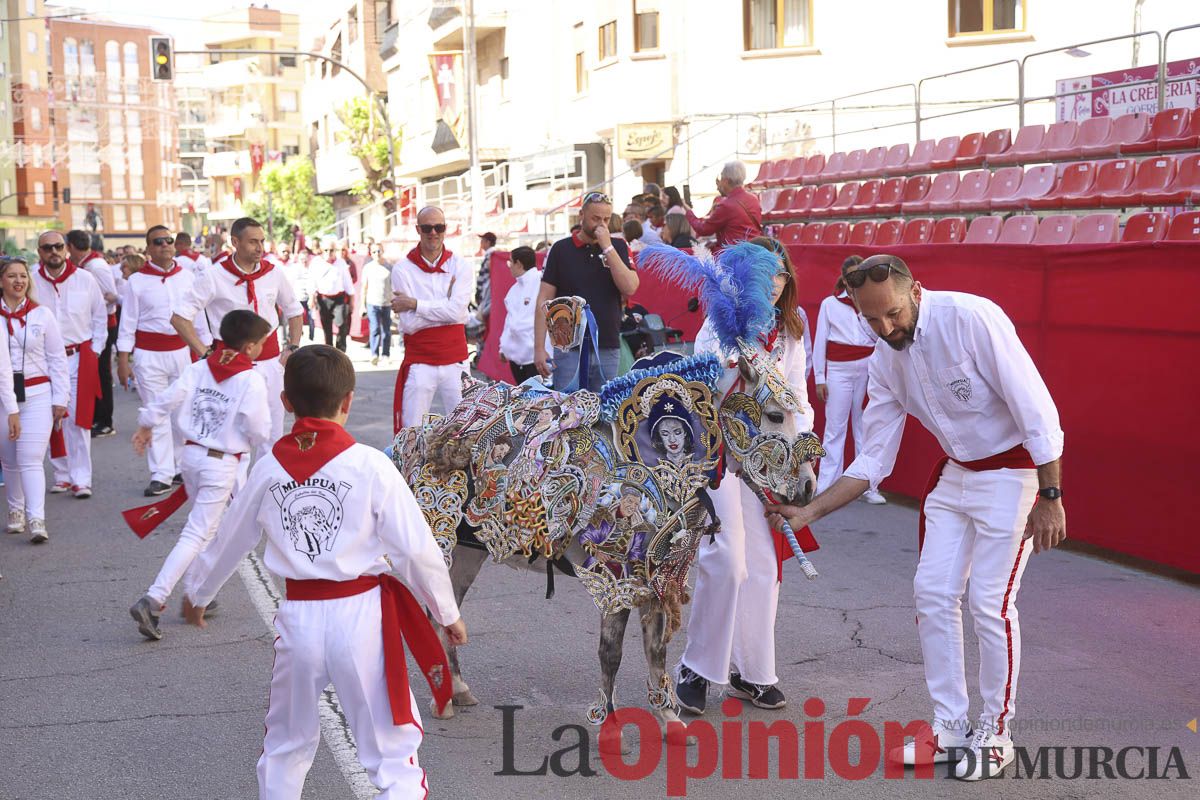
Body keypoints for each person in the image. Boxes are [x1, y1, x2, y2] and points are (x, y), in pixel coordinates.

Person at [765, 254, 1066, 781]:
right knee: (932, 593)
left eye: (893, 314)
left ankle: (996, 732)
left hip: (1015, 473)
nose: (885, 328)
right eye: (871, 319)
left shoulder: (971, 319)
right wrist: (809, 510)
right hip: (957, 473)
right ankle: (950, 727)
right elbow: (874, 458)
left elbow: (1035, 407)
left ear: (916, 292)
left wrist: (1051, 494)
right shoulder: (884, 358)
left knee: (990, 602)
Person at [182, 345, 468, 799]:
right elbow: (415, 548)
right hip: (362, 617)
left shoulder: (268, 468)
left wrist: (198, 593)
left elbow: (230, 539)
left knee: (285, 744)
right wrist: (445, 610)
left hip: (299, 617)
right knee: (391, 751)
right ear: (349, 400)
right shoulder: (370, 464)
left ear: (286, 401)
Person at [675, 236, 813, 716]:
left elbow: (797, 397)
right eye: (763, 272)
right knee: (727, 561)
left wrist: (801, 454)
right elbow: (706, 386)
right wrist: (737, 363)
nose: (774, 283)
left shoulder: (792, 331)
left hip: (769, 459)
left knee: (763, 568)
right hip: (719, 456)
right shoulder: (718, 326)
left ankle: (751, 673)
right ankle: (696, 667)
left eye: (781, 273)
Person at [127, 310, 273, 641]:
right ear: (249, 347)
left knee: (204, 529)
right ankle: (155, 597)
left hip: (191, 457)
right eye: (262, 343)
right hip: (221, 462)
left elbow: (167, 398)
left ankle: (195, 591)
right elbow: (259, 428)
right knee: (198, 532)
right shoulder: (250, 379)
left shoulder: (200, 366)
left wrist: (147, 424)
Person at [171, 217, 304, 460]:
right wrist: (205, 353)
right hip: (228, 365)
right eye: (253, 242)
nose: (260, 248)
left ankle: (267, 493)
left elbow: (294, 311)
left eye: (262, 241)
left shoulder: (273, 273)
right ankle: (234, 495)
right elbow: (180, 317)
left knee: (272, 433)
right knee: (229, 437)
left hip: (270, 362)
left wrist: (292, 348)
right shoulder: (213, 276)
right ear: (235, 242)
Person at [116, 226, 199, 497]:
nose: (165, 245)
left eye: (169, 241)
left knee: (182, 412)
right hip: (148, 354)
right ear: (149, 249)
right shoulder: (136, 281)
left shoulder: (188, 276)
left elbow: (199, 316)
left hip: (181, 351)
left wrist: (206, 350)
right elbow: (127, 323)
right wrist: (123, 360)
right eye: (158, 242)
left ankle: (179, 466)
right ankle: (161, 473)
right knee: (156, 411)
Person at [534, 192, 639, 391]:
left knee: (606, 412)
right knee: (568, 413)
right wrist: (539, 347)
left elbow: (631, 287)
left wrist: (607, 247)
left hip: (607, 344)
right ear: (581, 215)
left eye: (606, 219)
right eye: (595, 218)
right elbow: (544, 298)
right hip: (568, 347)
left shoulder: (618, 246)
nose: (601, 224)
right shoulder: (560, 249)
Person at [33, 230, 106, 499]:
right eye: (47, 247)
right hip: (41, 360)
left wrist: (96, 350)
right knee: (51, 417)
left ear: (66, 249)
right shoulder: (30, 279)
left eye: (58, 246)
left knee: (79, 419)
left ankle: (81, 478)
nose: (53, 251)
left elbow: (100, 317)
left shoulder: (85, 279)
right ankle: (61, 475)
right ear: (40, 252)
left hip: (78, 357)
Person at [390, 206, 472, 432]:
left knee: (465, 428)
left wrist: (415, 304)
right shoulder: (402, 269)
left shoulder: (461, 265)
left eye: (439, 227)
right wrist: (445, 310)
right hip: (420, 360)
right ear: (418, 229)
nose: (433, 232)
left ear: (446, 229)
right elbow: (409, 324)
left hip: (456, 359)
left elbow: (457, 312)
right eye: (427, 227)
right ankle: (408, 469)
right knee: (411, 431)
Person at [0, 256, 64, 543]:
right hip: (4, 397)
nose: (19, 281)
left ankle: (36, 518)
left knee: (30, 458)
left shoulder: (42, 314)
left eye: (23, 276)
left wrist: (61, 397)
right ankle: (15, 511)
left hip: (38, 393)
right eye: (12, 276)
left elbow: (57, 358)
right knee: (9, 459)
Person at [813, 260, 886, 505]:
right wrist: (820, 378)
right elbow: (820, 341)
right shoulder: (830, 304)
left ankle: (867, 486)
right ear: (844, 279)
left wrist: (861, 306)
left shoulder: (869, 301)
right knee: (835, 427)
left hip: (867, 366)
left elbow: (878, 335)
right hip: (838, 370)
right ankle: (827, 485)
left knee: (865, 425)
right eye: (852, 278)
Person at [65, 229, 120, 438]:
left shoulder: (96, 266)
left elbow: (112, 296)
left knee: (102, 374)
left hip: (104, 324)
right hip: (91, 325)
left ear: (70, 246)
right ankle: (96, 416)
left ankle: (106, 421)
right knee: (93, 373)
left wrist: (87, 302)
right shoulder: (86, 264)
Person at [683, 161, 763, 252]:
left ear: (726, 181)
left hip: (735, 256)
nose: (719, 184)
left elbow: (703, 229)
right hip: (754, 252)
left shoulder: (726, 205)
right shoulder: (754, 199)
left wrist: (688, 211)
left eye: (721, 179)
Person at [498, 246, 547, 384]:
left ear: (518, 264)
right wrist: (503, 347)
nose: (509, 266)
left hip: (536, 357)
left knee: (538, 401)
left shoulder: (542, 282)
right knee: (523, 402)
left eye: (510, 262)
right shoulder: (513, 290)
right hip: (517, 358)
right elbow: (510, 320)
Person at [310, 238, 356, 352]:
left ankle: (340, 350)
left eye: (331, 250)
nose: (329, 253)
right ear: (321, 250)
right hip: (323, 299)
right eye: (326, 250)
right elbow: (311, 281)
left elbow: (348, 282)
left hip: (339, 299)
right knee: (326, 327)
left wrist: (352, 300)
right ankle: (329, 350)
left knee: (341, 324)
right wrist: (311, 298)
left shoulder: (341, 262)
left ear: (335, 250)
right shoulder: (316, 262)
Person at [359, 243, 393, 364]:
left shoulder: (389, 267)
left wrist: (394, 303)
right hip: (372, 302)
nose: (377, 254)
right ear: (371, 253)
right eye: (374, 252)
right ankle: (374, 354)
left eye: (379, 251)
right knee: (374, 329)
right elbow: (364, 287)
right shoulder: (368, 268)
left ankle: (385, 354)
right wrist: (362, 306)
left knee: (386, 330)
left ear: (382, 251)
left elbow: (393, 286)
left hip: (386, 303)